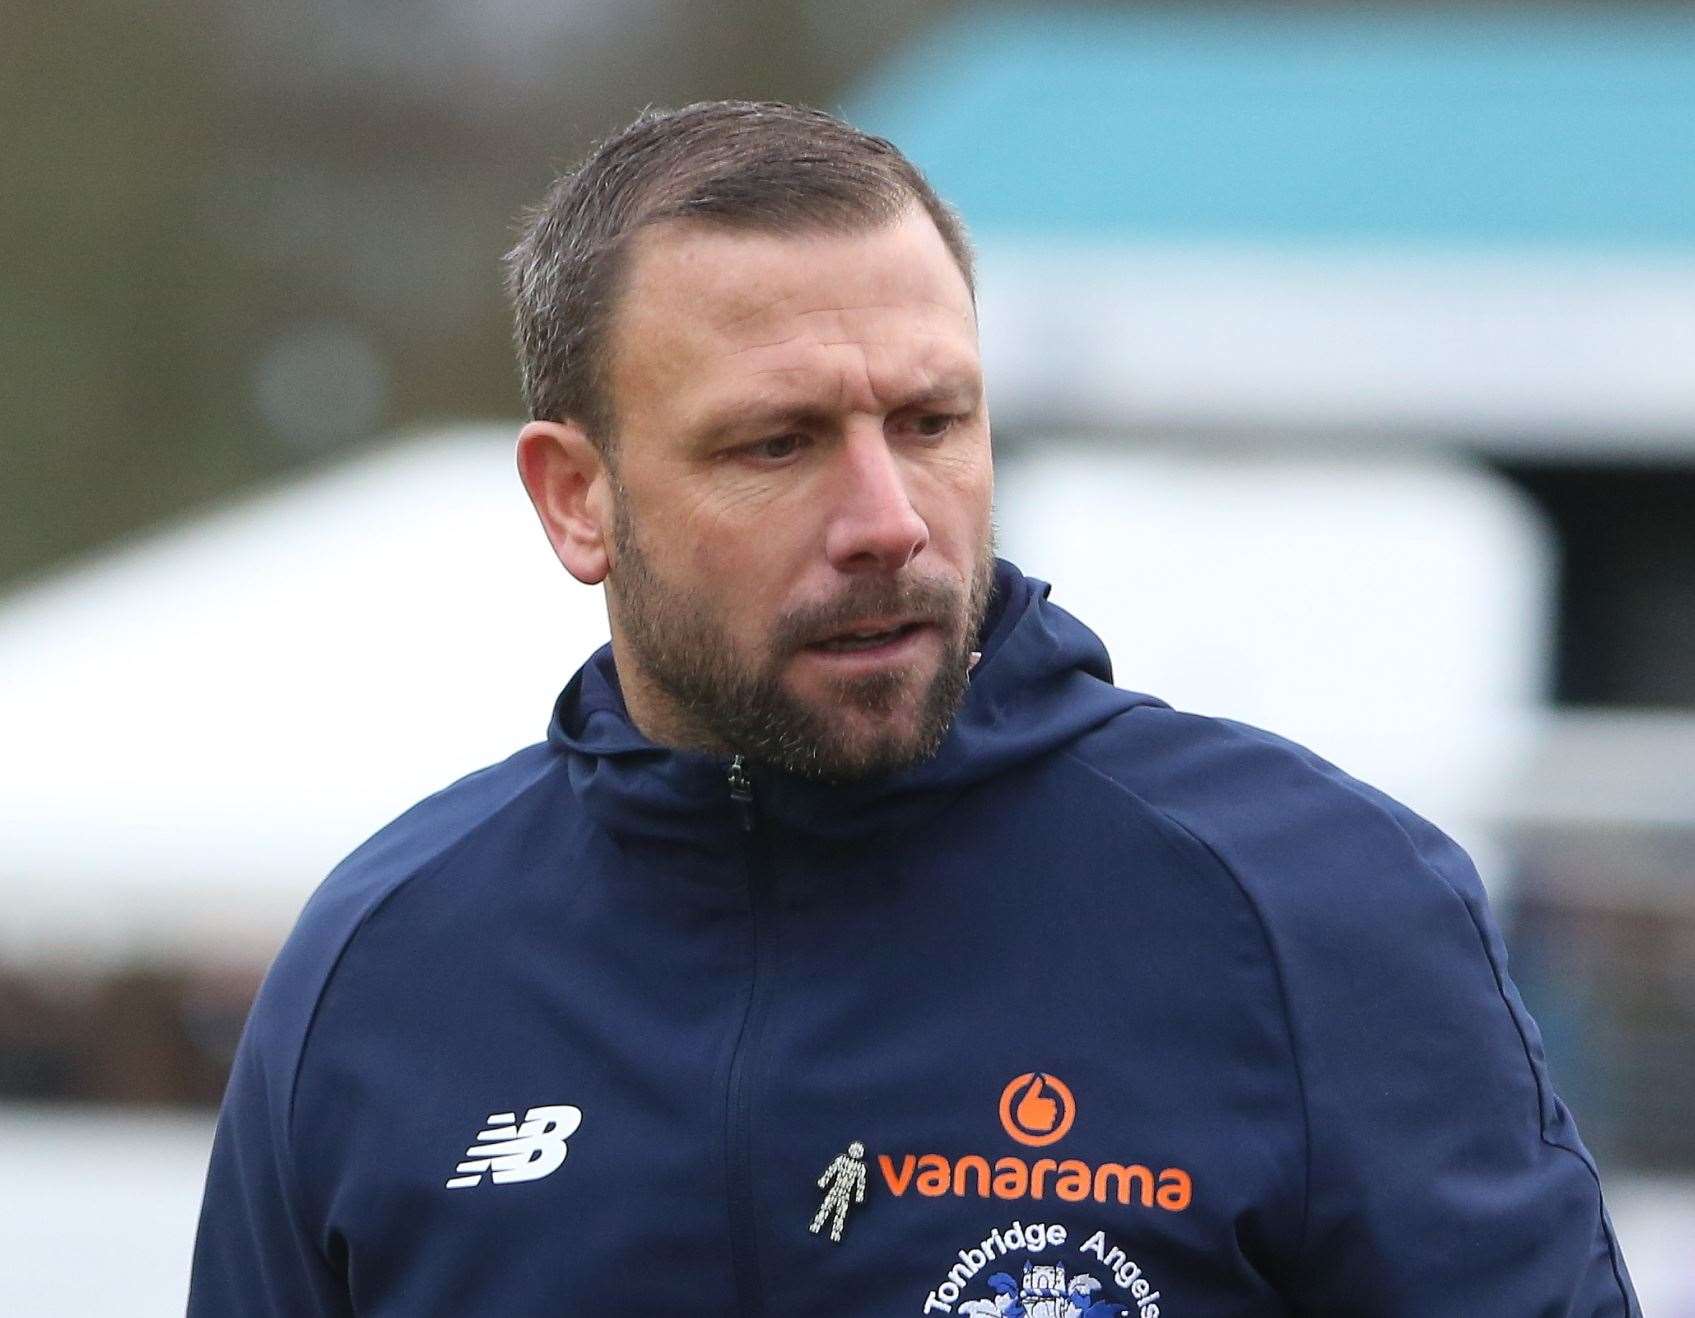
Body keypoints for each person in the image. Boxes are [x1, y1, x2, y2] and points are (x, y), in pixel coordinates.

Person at [189, 100, 1639, 1315]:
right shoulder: (385, 969)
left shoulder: (1320, 907)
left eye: (932, 422)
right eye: (778, 441)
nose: (889, 519)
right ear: (579, 499)